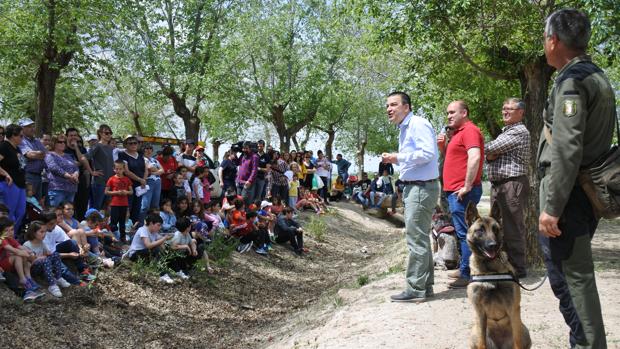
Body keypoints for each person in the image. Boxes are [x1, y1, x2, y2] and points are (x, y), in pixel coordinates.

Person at [538, 9, 615, 349]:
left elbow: (567, 149)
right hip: (582, 192)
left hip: (568, 197)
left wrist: (552, 207)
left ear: (553, 41)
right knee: (575, 277)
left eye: (545, 38)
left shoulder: (571, 82)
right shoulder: (595, 75)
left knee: (572, 279)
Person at [381, 91, 440, 302]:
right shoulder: (405, 128)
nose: (389, 109)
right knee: (421, 238)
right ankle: (426, 286)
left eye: (394, 104)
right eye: (387, 105)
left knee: (416, 240)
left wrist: (398, 158)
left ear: (406, 107)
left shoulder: (417, 124)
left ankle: (415, 289)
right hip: (416, 188)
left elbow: (428, 154)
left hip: (421, 188)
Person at [437, 100, 484, 289]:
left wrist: (467, 185)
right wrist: (443, 148)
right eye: (447, 113)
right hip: (455, 190)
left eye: (452, 112)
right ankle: (465, 268)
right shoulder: (457, 133)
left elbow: (475, 157)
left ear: (464, 113)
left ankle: (468, 274)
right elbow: (455, 158)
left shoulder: (470, 131)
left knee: (466, 233)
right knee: (462, 232)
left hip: (462, 191)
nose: (448, 116)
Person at [484, 98, 530, 278]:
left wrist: (490, 152)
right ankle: (504, 265)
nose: (505, 111)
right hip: (500, 185)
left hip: (511, 184)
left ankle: (518, 269)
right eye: (504, 108)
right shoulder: (506, 132)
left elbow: (490, 147)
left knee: (512, 227)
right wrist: (491, 156)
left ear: (521, 112)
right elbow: (491, 154)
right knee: (498, 227)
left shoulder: (518, 131)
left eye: (510, 109)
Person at [0, 124, 28, 235]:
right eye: (21, 136)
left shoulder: (18, 149)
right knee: (9, 213)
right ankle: (5, 240)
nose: (23, 138)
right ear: (12, 135)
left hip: (20, 185)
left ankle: (12, 237)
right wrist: (5, 174)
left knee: (20, 212)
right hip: (9, 185)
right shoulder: (4, 146)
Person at [45, 134, 79, 207]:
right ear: (54, 143)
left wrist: (76, 174)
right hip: (57, 188)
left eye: (64, 142)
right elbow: (53, 167)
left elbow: (76, 167)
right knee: (54, 213)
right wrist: (68, 176)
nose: (63, 143)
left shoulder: (68, 156)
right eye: (60, 142)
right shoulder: (49, 155)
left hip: (71, 189)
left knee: (67, 214)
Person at [87, 125, 115, 210]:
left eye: (110, 133)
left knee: (107, 207)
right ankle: (93, 223)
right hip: (99, 182)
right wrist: (91, 172)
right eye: (106, 133)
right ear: (100, 133)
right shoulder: (97, 145)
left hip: (110, 182)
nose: (109, 135)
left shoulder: (111, 148)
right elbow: (85, 157)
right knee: (96, 207)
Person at [18, 118, 46, 200]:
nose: (32, 128)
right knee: (28, 202)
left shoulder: (37, 141)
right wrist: (39, 153)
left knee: (37, 205)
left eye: (32, 126)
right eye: (28, 126)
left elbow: (45, 154)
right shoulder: (21, 140)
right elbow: (30, 155)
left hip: (39, 176)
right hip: (27, 175)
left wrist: (38, 153)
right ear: (22, 128)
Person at [105, 160, 133, 243]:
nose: (118, 171)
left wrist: (126, 192)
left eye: (120, 169)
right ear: (113, 169)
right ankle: (113, 237)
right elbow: (106, 191)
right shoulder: (111, 179)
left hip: (124, 204)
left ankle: (123, 238)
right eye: (116, 169)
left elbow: (131, 192)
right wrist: (116, 192)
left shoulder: (127, 179)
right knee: (113, 222)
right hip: (114, 203)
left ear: (124, 169)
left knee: (122, 222)